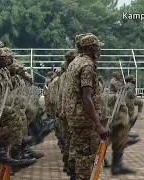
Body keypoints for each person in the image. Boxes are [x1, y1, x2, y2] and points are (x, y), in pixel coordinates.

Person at [62, 34, 109, 180]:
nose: (99, 50)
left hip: (75, 115)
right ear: (90, 48)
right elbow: (86, 97)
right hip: (83, 118)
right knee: (86, 156)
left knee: (79, 152)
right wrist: (98, 124)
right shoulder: (87, 65)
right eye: (97, 47)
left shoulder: (75, 62)